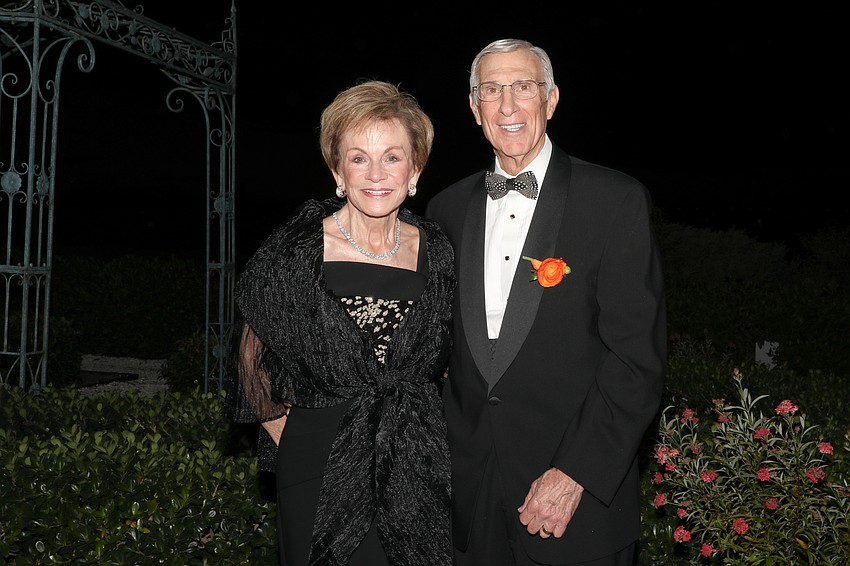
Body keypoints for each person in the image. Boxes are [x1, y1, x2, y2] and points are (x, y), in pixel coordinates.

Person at [425, 39, 667, 566]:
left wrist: (577, 471)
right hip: (470, 500)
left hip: (573, 496)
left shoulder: (614, 200)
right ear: (474, 108)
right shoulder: (444, 210)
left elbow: (636, 359)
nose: (507, 105)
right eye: (491, 90)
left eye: (523, 87)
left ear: (552, 100)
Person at [224, 80, 454, 566]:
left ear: (415, 169)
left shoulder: (439, 250)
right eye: (358, 158)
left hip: (415, 455)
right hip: (318, 458)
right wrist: (289, 432)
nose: (376, 173)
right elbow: (249, 351)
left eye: (392, 157)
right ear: (337, 170)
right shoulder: (298, 250)